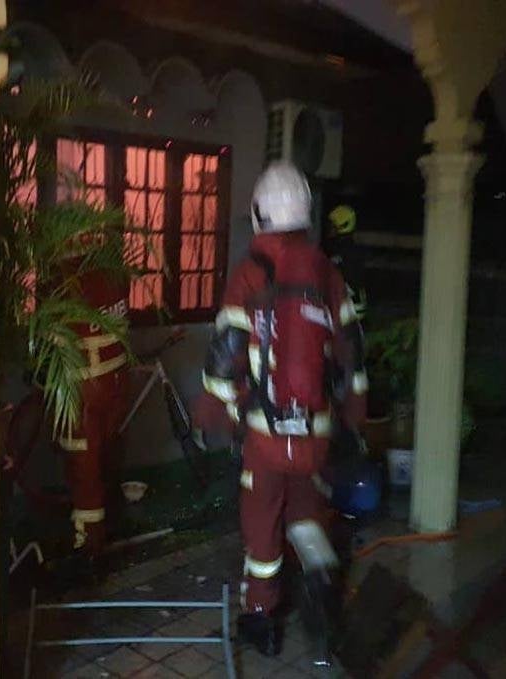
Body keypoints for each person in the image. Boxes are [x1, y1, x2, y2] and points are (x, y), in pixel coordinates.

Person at [199, 162, 368, 664]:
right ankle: (320, 585)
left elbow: (224, 361)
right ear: (306, 213)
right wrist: (353, 420)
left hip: (265, 437)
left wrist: (219, 417)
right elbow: (352, 355)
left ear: (258, 214)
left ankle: (261, 621)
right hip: (314, 436)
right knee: (308, 514)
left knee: (261, 528)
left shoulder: (250, 273)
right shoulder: (327, 272)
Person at [55, 261, 131, 556]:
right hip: (115, 385)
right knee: (105, 458)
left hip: (82, 391)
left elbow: (55, 339)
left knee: (83, 468)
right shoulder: (114, 276)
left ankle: (87, 544)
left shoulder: (68, 281)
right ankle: (104, 529)